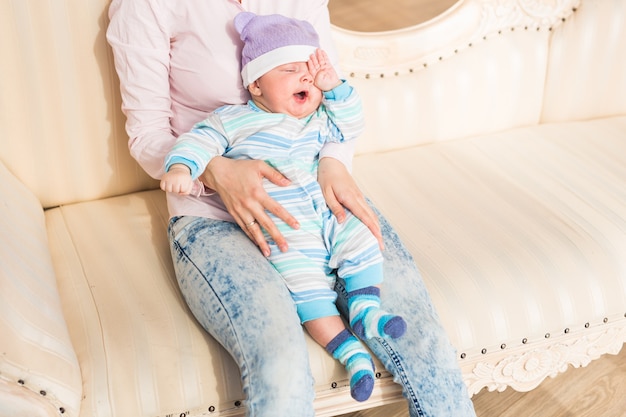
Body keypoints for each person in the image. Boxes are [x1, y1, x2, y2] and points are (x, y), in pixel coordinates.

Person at [106, 1, 477, 416]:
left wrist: (335, 160)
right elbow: (147, 134)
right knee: (279, 361)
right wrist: (216, 171)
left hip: (316, 193)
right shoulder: (149, 7)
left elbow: (331, 92)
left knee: (417, 333)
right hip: (212, 215)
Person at [160, 11, 407, 402]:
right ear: (256, 84)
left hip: (328, 213)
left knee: (362, 239)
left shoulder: (318, 120)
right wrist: (181, 167)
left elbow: (352, 123)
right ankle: (349, 350)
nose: (304, 77)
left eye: (309, 71)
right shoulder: (234, 121)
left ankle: (365, 309)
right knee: (306, 289)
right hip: (284, 225)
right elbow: (197, 141)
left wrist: (335, 86)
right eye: (290, 69)